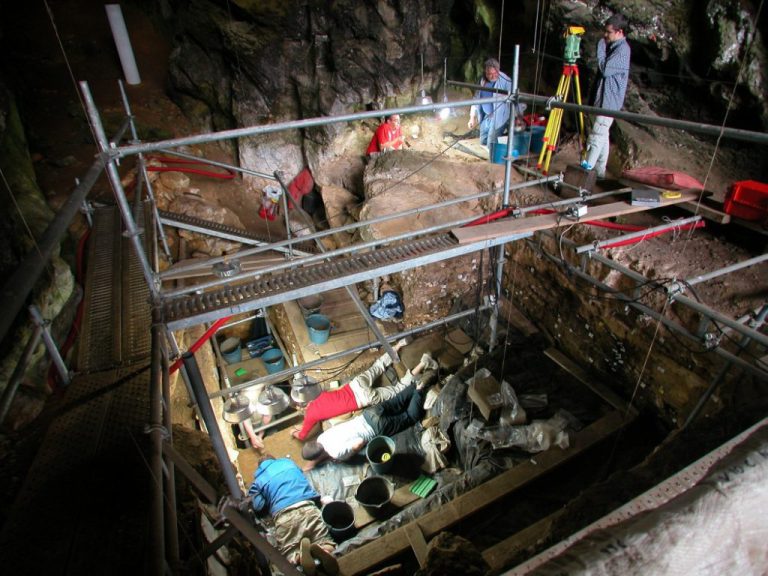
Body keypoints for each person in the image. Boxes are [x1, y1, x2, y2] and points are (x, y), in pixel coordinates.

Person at [291, 339, 438, 441]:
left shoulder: (311, 416)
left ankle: (423, 363)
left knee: (397, 390)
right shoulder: (317, 393)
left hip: (363, 399)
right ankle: (399, 345)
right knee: (378, 366)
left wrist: (294, 432)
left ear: (301, 406)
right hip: (355, 385)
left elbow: (302, 435)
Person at [301, 373, 435, 470]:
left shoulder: (336, 453)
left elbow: (359, 442)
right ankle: (415, 384)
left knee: (409, 417)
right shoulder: (322, 437)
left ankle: (420, 389)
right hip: (368, 414)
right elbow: (322, 449)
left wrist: (348, 456)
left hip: (376, 428)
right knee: (397, 401)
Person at [247, 454, 338, 575]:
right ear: (274, 460)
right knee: (325, 540)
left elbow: (259, 506)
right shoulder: (289, 463)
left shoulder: (258, 481)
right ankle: (324, 550)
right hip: (307, 507)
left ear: (259, 468)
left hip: (284, 517)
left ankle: (300, 557)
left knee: (290, 553)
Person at [582, 13, 631, 179]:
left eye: (609, 32)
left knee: (596, 136)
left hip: (608, 103)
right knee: (602, 136)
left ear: (619, 32)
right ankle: (600, 173)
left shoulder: (622, 50)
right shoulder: (614, 47)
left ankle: (586, 173)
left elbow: (606, 70)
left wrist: (600, 48)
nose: (605, 35)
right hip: (603, 100)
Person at [468, 57, 516, 147]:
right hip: (486, 116)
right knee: (483, 142)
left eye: (495, 73)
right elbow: (476, 99)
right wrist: (472, 118)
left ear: (498, 70)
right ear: (485, 72)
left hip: (498, 118)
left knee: (491, 145)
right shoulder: (482, 80)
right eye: (489, 74)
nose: (493, 76)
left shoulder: (506, 81)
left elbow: (515, 99)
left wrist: (518, 117)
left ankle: (499, 143)